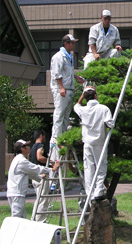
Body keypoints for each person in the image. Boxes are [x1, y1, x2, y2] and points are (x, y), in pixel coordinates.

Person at [49, 34, 86, 162]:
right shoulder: (58, 57)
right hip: (62, 89)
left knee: (65, 115)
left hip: (68, 89)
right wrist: (61, 87)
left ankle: (63, 136)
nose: (73, 45)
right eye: (72, 43)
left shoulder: (69, 56)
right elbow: (57, 73)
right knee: (59, 114)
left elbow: (67, 71)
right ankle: (56, 138)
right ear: (66, 43)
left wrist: (76, 77)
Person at [73, 88, 114, 201]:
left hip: (87, 143)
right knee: (101, 167)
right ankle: (98, 191)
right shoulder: (103, 108)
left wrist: (82, 95)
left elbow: (76, 106)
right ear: (96, 96)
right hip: (99, 142)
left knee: (89, 168)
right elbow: (110, 124)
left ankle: (90, 193)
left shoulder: (83, 110)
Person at [7, 140, 59, 218]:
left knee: (22, 218)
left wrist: (40, 177)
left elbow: (29, 173)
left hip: (14, 193)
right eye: (27, 146)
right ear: (22, 149)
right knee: (16, 218)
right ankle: (9, 230)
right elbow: (36, 168)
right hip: (17, 194)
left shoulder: (17, 159)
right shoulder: (21, 161)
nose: (29, 147)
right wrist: (52, 169)